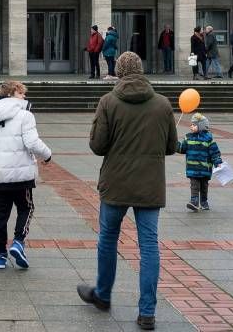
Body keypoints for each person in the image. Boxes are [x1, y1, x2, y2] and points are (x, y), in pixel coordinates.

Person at [76, 53, 178, 330]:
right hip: (149, 185)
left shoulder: (109, 101)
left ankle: (103, 295)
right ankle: (147, 312)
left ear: (119, 72)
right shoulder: (162, 103)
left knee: (108, 240)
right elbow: (171, 146)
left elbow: (98, 146)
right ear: (141, 70)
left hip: (116, 183)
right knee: (149, 247)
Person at [0, 80, 52, 271]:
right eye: (21, 93)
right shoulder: (25, 115)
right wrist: (47, 155)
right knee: (27, 208)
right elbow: (32, 143)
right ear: (11, 94)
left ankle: (0, 254)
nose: (24, 96)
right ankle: (18, 241)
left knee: (0, 214)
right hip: (22, 175)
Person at [182, 114, 224, 211]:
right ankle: (194, 202)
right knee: (194, 186)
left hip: (205, 168)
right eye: (191, 124)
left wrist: (217, 161)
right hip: (193, 169)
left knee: (204, 187)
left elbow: (214, 152)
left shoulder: (208, 139)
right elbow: (182, 148)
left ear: (200, 126)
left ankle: (204, 201)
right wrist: (174, 144)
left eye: (194, 124)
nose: (191, 126)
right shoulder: (188, 137)